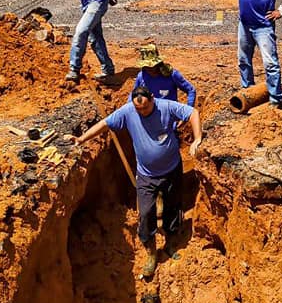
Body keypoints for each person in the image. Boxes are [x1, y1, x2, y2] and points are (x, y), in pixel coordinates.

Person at [73, 86, 202, 277]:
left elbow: (192, 112)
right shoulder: (128, 111)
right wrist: (81, 139)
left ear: (152, 99)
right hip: (146, 175)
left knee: (173, 208)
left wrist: (197, 139)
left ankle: (170, 244)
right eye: (138, 109)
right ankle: (151, 252)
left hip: (172, 170)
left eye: (145, 108)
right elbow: (105, 124)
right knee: (146, 212)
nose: (142, 112)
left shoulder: (165, 107)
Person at [130, 43, 196, 106]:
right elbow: (133, 96)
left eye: (153, 66)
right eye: (147, 67)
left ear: (159, 63)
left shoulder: (172, 75)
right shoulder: (141, 76)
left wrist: (188, 111)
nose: (151, 69)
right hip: (148, 114)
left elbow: (190, 90)